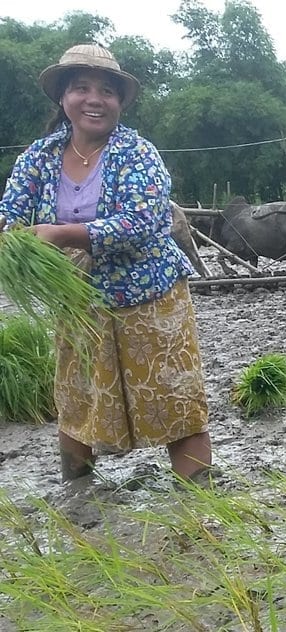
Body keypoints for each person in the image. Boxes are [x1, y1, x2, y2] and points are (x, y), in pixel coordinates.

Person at [0, 44, 213, 485]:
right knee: (77, 399)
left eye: (107, 91)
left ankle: (202, 503)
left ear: (120, 102)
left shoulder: (137, 153)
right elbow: (12, 216)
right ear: (63, 97)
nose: (94, 99)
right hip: (78, 302)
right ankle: (77, 496)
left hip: (150, 298)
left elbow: (143, 221)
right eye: (81, 88)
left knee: (173, 398)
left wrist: (64, 234)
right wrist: (11, 236)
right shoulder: (39, 158)